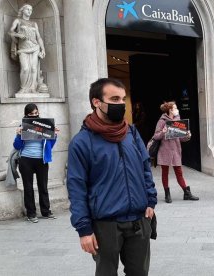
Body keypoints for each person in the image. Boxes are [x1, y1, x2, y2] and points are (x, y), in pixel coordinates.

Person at [67, 78, 157, 276]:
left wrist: (151, 200)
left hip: (138, 220)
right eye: (114, 99)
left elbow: (145, 169)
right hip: (104, 223)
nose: (120, 104)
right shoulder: (81, 142)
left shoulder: (132, 133)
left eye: (122, 99)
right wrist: (84, 230)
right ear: (96, 102)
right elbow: (76, 188)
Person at [13, 103, 58, 223]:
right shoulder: (22, 126)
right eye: (31, 114)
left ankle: (46, 211)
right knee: (28, 187)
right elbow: (17, 146)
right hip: (26, 159)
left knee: (43, 186)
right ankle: (31, 214)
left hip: (41, 160)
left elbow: (50, 146)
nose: (34, 115)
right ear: (26, 114)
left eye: (36, 113)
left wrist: (54, 135)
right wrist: (18, 135)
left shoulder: (44, 126)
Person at [153, 101, 199, 203]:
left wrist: (187, 135)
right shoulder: (162, 120)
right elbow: (156, 136)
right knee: (165, 173)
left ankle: (186, 193)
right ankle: (167, 195)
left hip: (176, 151)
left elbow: (181, 138)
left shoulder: (178, 121)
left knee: (179, 172)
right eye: (175, 108)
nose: (177, 110)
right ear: (170, 110)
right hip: (165, 150)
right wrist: (163, 132)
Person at [8, 4, 48, 94]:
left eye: (31, 10)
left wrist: (43, 49)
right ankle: (23, 88)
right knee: (25, 68)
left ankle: (33, 88)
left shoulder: (34, 23)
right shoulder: (18, 21)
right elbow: (10, 32)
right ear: (23, 10)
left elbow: (39, 38)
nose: (29, 11)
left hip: (35, 47)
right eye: (27, 9)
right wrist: (18, 35)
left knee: (34, 69)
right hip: (23, 48)